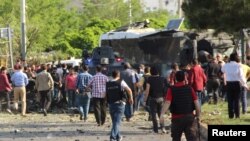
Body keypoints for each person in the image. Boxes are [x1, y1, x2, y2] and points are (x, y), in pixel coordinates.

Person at [160, 71, 200, 141]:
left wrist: (162, 114)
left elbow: (167, 102)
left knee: (176, 138)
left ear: (175, 79)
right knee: (192, 138)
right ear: (185, 78)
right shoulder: (190, 89)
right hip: (189, 117)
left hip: (177, 119)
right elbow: (196, 103)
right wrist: (198, 115)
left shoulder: (171, 89)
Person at [106, 70, 133, 141]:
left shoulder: (108, 83)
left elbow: (105, 94)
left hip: (111, 104)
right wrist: (130, 98)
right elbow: (129, 90)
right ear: (118, 75)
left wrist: (107, 102)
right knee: (117, 122)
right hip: (120, 104)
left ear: (112, 75)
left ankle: (118, 137)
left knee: (115, 122)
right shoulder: (121, 82)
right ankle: (112, 137)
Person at [221, 53, 248, 118]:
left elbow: (222, 70)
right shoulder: (238, 66)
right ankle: (237, 115)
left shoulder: (226, 65)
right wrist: (245, 85)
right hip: (237, 83)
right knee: (237, 100)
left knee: (230, 100)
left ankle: (231, 115)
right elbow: (241, 76)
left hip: (229, 83)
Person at [144, 66, 166, 133]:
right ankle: (163, 128)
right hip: (161, 98)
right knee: (161, 114)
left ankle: (155, 129)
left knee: (153, 114)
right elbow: (165, 88)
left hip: (153, 98)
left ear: (151, 72)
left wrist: (145, 100)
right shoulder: (162, 78)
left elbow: (147, 90)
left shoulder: (149, 79)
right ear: (158, 72)